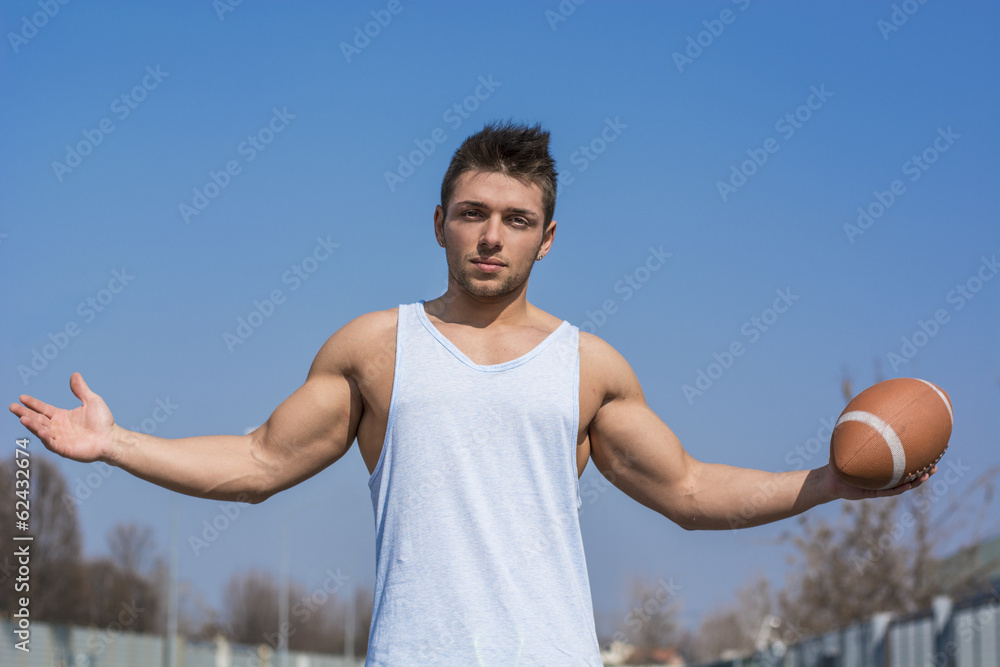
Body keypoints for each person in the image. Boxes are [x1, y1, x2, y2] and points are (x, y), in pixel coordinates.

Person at [11, 121, 931, 665]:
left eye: (516, 219)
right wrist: (117, 442)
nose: (493, 235)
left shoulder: (589, 365)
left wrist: (834, 483)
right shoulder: (376, 346)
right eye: (474, 214)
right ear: (441, 223)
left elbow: (687, 490)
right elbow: (259, 461)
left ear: (548, 237)